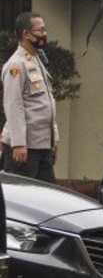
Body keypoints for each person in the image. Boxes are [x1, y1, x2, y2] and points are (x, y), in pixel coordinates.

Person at [2, 12, 59, 182]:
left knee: (47, 194)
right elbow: (13, 105)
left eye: (45, 30)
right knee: (23, 195)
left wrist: (54, 140)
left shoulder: (36, 60)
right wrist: (19, 143)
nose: (44, 34)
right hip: (25, 148)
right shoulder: (16, 64)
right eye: (40, 30)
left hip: (42, 145)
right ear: (26, 34)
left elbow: (47, 103)